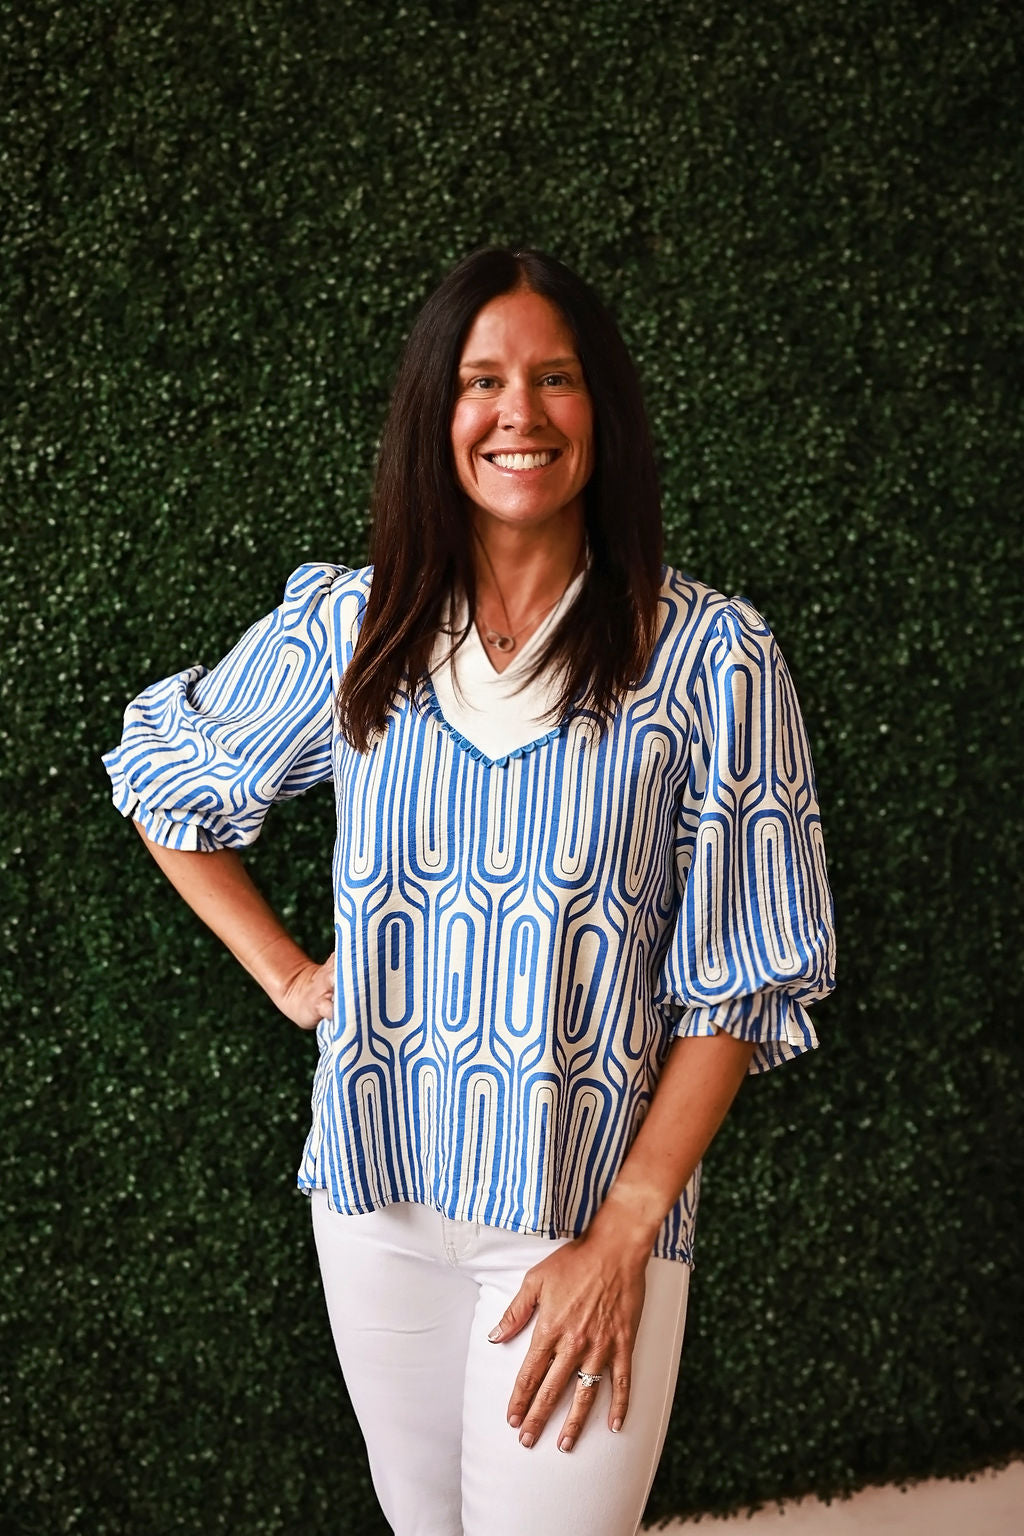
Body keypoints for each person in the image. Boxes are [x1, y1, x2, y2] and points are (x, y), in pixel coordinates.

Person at [103, 247, 835, 1536]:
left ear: (602, 409)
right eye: (482, 381)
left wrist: (625, 1231)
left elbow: (743, 978)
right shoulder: (357, 627)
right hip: (376, 1209)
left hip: (584, 1224)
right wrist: (292, 978)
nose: (519, 414)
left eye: (556, 377)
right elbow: (166, 784)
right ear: (433, 414)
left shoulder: (710, 656)